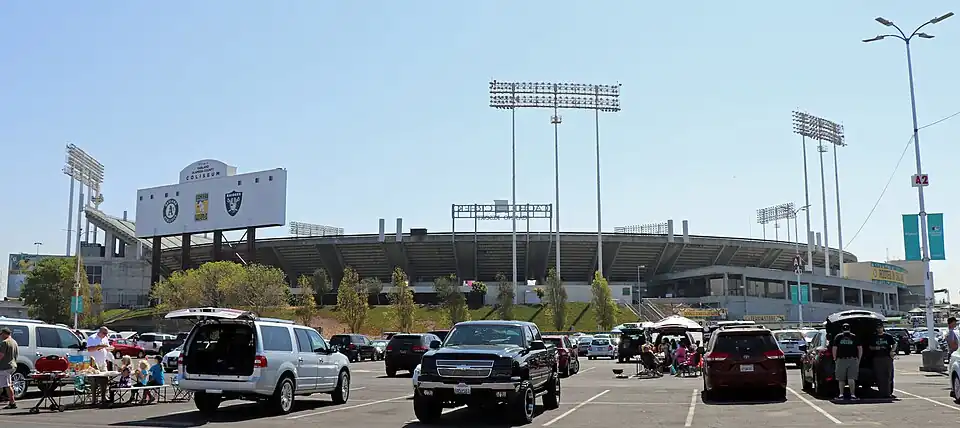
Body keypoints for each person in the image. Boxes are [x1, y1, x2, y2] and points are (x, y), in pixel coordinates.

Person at [832, 323, 863, 400]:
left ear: (842, 329)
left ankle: (841, 395)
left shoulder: (838, 337)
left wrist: (835, 358)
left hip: (841, 359)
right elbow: (860, 348)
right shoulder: (854, 336)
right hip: (853, 359)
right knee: (851, 378)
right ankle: (852, 395)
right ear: (850, 329)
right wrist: (859, 358)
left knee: (841, 379)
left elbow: (834, 348)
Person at [86, 327, 113, 404]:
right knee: (94, 381)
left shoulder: (105, 338)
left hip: (103, 362)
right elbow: (89, 349)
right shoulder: (92, 338)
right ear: (100, 332)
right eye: (104, 333)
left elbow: (106, 348)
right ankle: (94, 400)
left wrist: (110, 348)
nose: (105, 335)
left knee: (105, 379)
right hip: (94, 363)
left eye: (106, 334)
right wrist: (99, 346)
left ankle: (104, 397)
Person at [870, 324, 896, 398]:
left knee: (888, 375)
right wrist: (876, 348)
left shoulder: (888, 336)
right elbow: (870, 347)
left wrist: (892, 351)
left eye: (880, 328)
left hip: (887, 358)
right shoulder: (874, 337)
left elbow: (894, 344)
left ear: (883, 328)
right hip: (877, 358)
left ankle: (888, 393)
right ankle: (881, 392)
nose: (879, 329)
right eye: (878, 328)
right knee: (880, 376)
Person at [0, 327, 19, 409]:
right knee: (6, 384)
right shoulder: (14, 342)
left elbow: (1, 355)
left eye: (1, 334)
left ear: (4, 334)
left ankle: (12, 402)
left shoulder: (5, 342)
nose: (1, 336)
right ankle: (11, 401)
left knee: (7, 385)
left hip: (5, 366)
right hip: (12, 365)